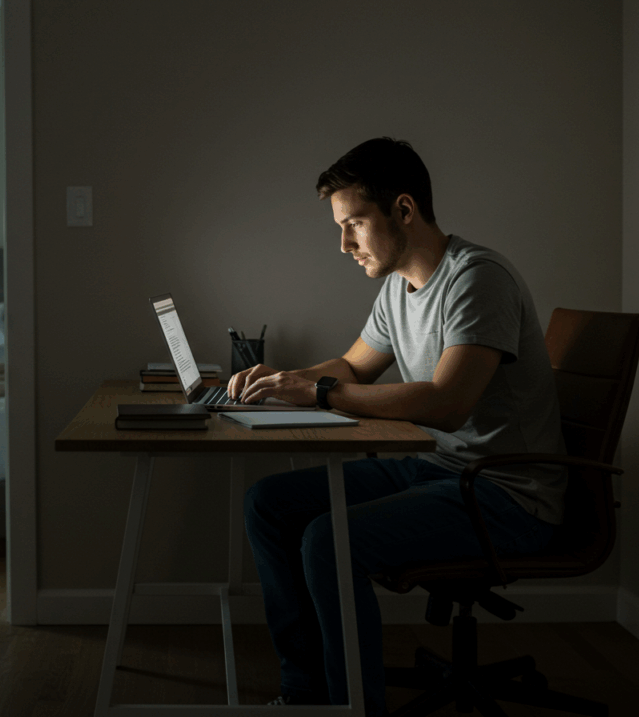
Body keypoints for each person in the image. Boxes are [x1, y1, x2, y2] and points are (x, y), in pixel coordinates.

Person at [228, 137, 565, 714]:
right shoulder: (397, 287)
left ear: (403, 210)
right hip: (440, 469)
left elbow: (447, 404)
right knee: (268, 504)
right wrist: (284, 379)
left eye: (354, 224)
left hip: (506, 493)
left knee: (327, 540)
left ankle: (354, 708)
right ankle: (306, 693)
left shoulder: (477, 279)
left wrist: (321, 393)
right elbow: (354, 367)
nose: (344, 244)